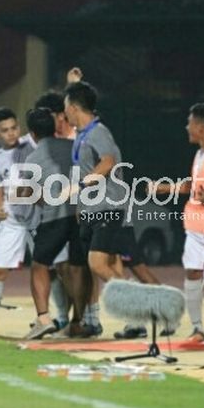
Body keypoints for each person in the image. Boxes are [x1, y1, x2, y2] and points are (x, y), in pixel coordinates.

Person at [147, 103, 204, 342]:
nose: (186, 127)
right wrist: (163, 188)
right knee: (192, 273)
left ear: (201, 127)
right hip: (195, 228)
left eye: (190, 123)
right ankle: (198, 329)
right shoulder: (200, 153)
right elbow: (194, 188)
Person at [64, 80, 127, 336]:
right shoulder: (82, 135)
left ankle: (143, 308)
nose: (64, 112)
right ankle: (94, 321)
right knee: (99, 266)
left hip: (107, 205)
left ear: (74, 107)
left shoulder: (99, 132)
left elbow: (108, 162)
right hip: (91, 208)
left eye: (65, 106)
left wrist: (80, 185)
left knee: (97, 263)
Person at [21, 108, 88, 339]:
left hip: (55, 217)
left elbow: (29, 194)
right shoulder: (72, 148)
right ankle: (80, 321)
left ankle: (43, 319)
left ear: (32, 133)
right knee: (78, 268)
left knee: (39, 265)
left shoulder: (33, 158)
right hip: (81, 214)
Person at [0, 107, 36, 334]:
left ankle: (59, 318)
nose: (11, 133)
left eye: (14, 128)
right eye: (5, 130)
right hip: (11, 220)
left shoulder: (33, 145)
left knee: (50, 270)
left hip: (38, 218)